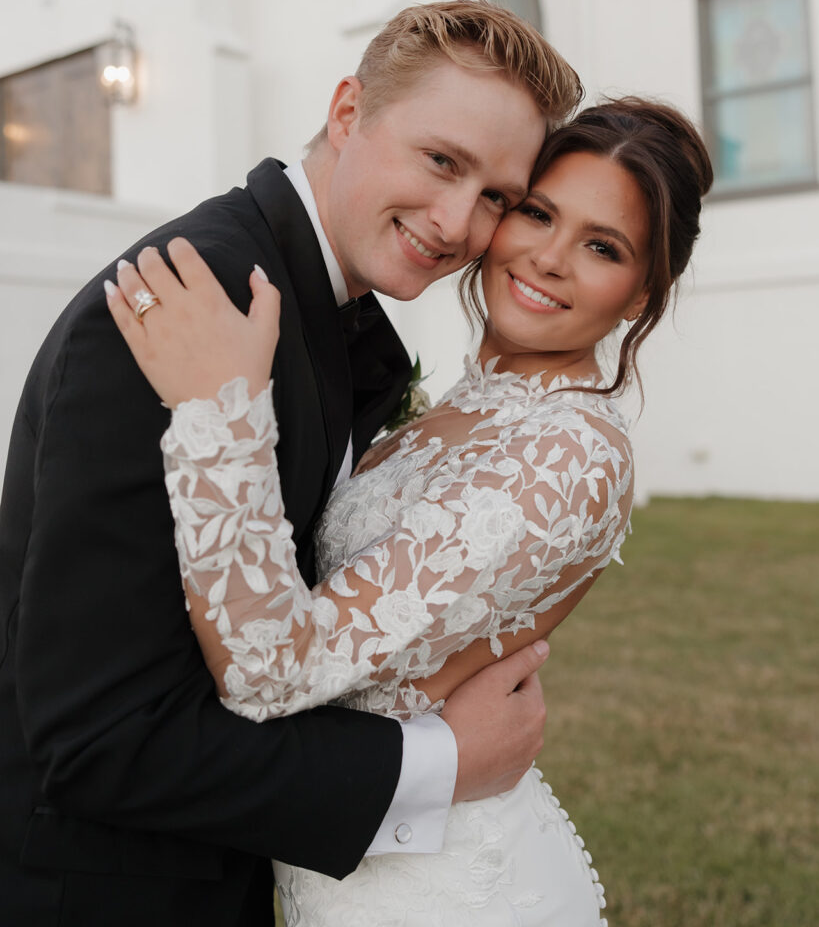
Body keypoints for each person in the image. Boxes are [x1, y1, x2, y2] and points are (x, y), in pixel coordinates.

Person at [0, 0, 582, 925]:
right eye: (441, 161)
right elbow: (100, 739)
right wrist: (438, 764)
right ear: (348, 112)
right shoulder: (196, 304)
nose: (458, 222)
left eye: (498, 198)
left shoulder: (328, 313)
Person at [106, 98, 714, 925]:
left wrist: (218, 409)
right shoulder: (469, 404)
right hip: (352, 853)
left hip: (441, 892)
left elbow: (274, 670)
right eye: (537, 213)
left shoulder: (568, 453)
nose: (549, 258)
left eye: (602, 247)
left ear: (642, 294)